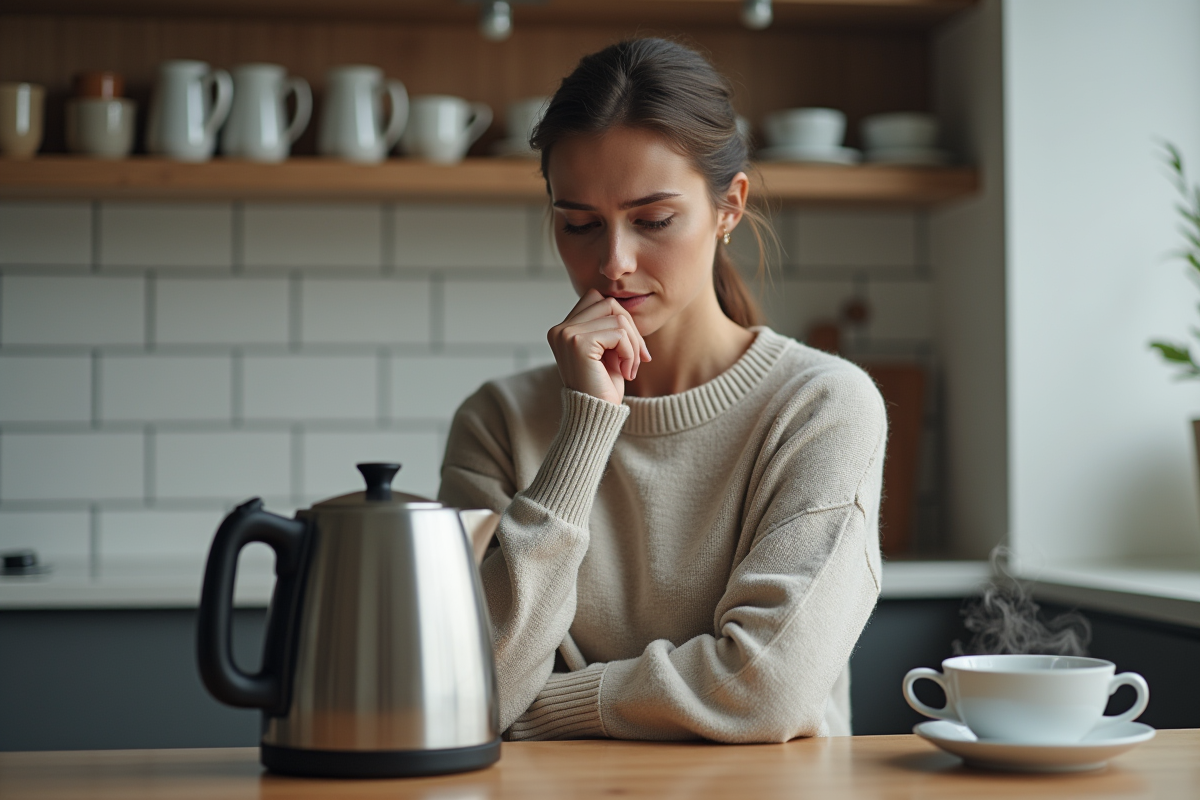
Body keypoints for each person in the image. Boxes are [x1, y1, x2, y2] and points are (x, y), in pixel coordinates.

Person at [438, 37, 887, 742]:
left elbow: (764, 688)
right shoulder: (497, 423)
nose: (612, 263)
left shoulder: (823, 406)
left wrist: (544, 707)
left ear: (729, 208)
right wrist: (586, 430)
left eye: (652, 220)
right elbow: (469, 690)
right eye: (579, 224)